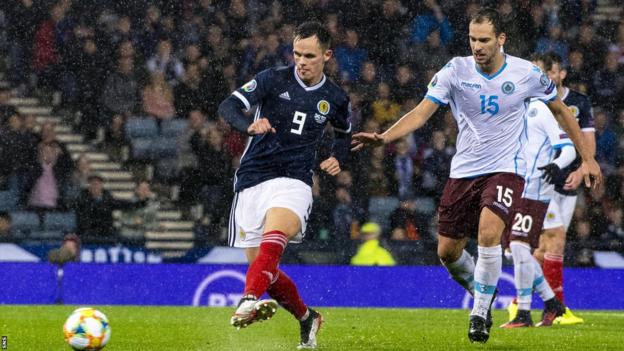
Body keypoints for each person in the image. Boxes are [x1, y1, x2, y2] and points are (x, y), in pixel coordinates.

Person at [352, 9, 601, 344]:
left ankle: (480, 312)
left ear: (501, 39)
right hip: (465, 171)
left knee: (489, 233)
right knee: (447, 252)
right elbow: (422, 112)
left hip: (507, 169)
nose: (477, 46)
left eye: (484, 39)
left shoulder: (526, 73)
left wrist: (588, 158)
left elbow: (560, 111)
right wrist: (385, 136)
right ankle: (481, 285)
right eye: (472, 39)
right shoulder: (455, 70)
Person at [218, 21, 351, 349]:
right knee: (264, 267)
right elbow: (228, 106)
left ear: (326, 55)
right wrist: (249, 125)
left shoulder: (334, 97)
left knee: (273, 241)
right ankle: (307, 318)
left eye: (309, 55)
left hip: (295, 180)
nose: (301, 61)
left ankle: (247, 299)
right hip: (252, 178)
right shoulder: (272, 79)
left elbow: (345, 133)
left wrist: (338, 156)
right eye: (296, 54)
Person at [500, 59, 577, 328]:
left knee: (520, 248)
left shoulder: (539, 110)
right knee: (517, 251)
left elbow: (568, 148)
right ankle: (552, 304)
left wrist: (555, 165)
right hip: (513, 188)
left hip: (534, 189)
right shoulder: (509, 113)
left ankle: (524, 312)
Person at [532, 52, 596, 326]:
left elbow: (586, 140)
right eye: (545, 73)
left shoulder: (579, 103)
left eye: (552, 73)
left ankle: (519, 302)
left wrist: (582, 170)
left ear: (561, 74)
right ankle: (556, 308)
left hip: (569, 182)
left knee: (544, 248)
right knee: (555, 239)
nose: (549, 77)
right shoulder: (535, 102)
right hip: (543, 180)